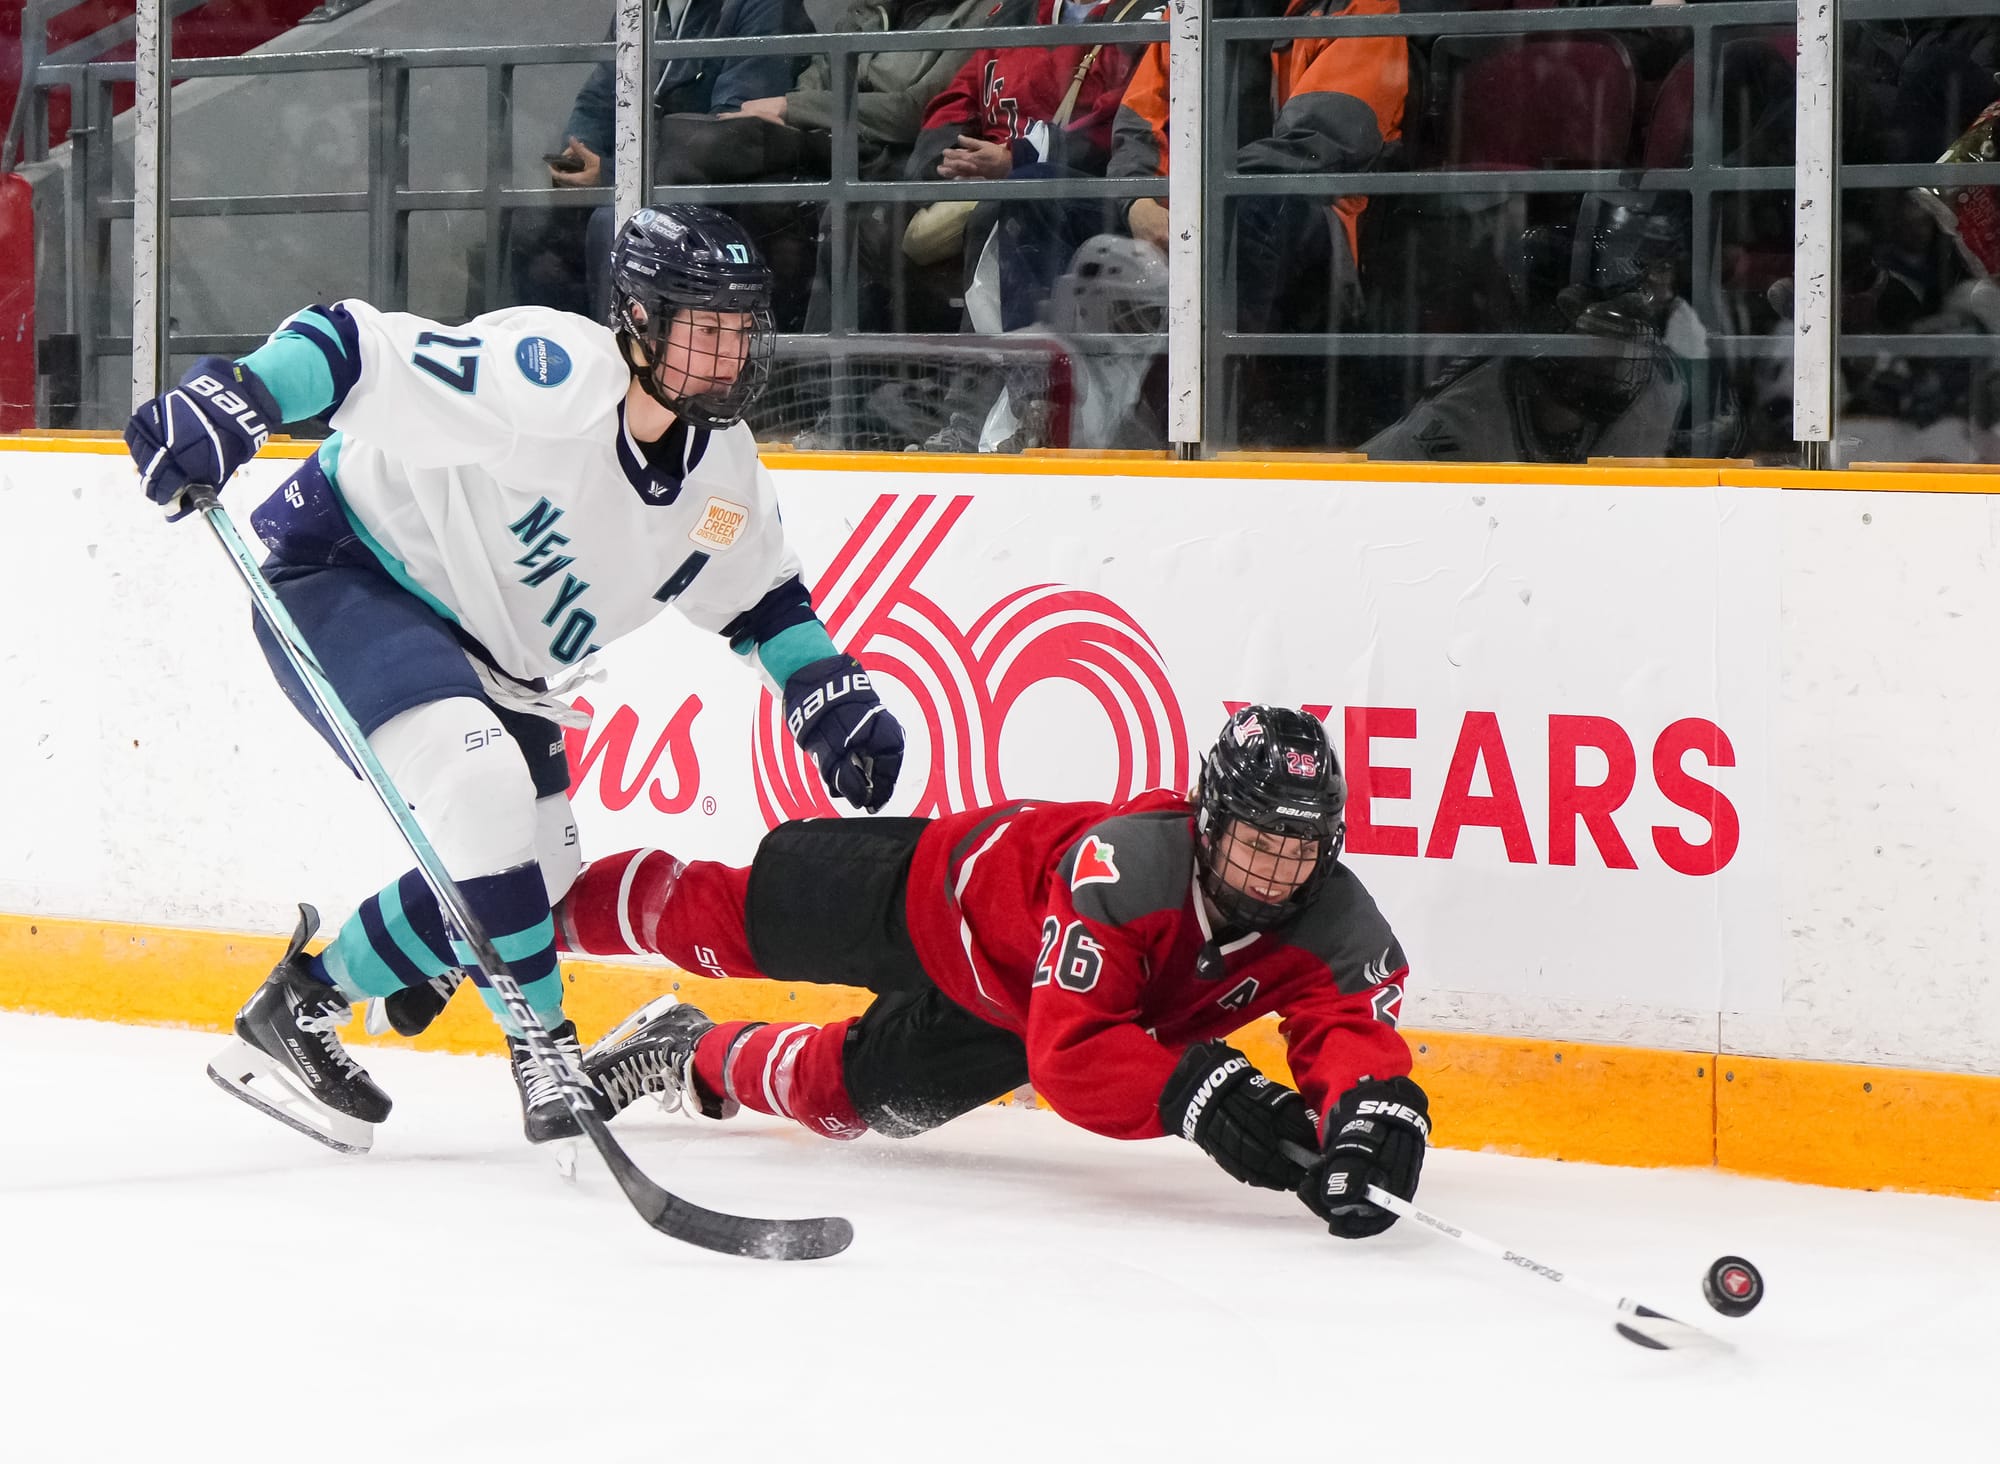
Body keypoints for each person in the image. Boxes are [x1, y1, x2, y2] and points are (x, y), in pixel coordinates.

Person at [123, 204, 907, 1155]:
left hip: (497, 655)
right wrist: (239, 395)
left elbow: (760, 600)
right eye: (705, 329)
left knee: (535, 872)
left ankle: (303, 1007)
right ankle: (545, 1049)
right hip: (347, 568)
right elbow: (355, 348)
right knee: (481, 787)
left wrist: (824, 686)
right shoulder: (552, 375)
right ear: (639, 320)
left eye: (742, 330)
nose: (729, 354)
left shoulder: (722, 478)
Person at [564, 706, 1431, 1238]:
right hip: (926, 895)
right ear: (1210, 822)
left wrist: (1370, 1118)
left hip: (1020, 1017)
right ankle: (532, 916)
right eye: (1255, 843)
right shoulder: (1129, 870)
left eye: (1298, 850)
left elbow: (1349, 1031)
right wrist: (1199, 1094)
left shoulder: (1337, 924)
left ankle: (686, 1049)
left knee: (844, 1102)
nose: (1273, 875)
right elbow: (1078, 1050)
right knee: (713, 924)